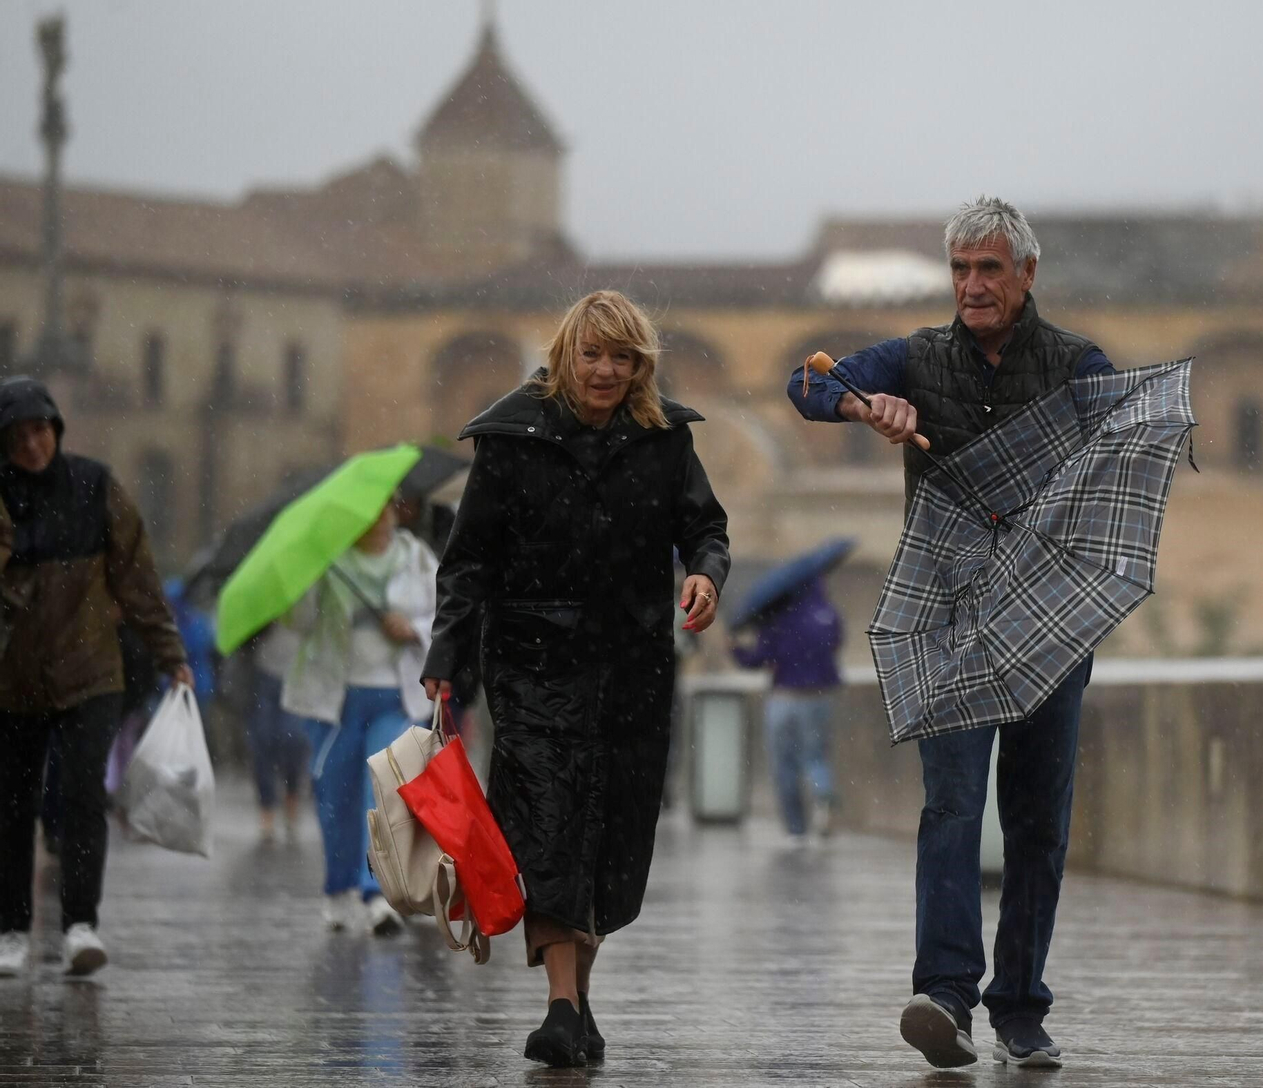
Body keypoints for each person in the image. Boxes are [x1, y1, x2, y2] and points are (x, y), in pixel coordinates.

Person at [787, 197, 1114, 1070]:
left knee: (1038, 823)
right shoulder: (915, 357)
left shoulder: (1079, 365)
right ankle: (945, 995)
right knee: (951, 808)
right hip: (948, 618)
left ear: (1027, 274)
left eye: (989, 269)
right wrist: (864, 409)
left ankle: (1021, 1008)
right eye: (960, 269)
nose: (972, 285)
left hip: (1048, 623)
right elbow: (807, 385)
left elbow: (1116, 464)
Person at [423, 289, 730, 1068]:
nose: (605, 371)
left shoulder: (663, 439)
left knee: (612, 836)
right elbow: (467, 561)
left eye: (621, 358)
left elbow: (705, 526)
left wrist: (705, 573)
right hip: (531, 662)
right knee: (550, 822)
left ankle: (578, 999)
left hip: (632, 665)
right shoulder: (509, 438)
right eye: (592, 354)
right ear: (566, 355)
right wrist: (446, 659)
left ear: (640, 365)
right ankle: (560, 1006)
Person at [0, 377, 192, 979]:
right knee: (13, 805)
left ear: (55, 428)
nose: (32, 446)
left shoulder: (95, 486)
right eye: (17, 437)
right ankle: (11, 928)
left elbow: (137, 579)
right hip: (14, 679)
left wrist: (170, 654)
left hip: (90, 673)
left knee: (84, 795)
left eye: (40, 431)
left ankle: (81, 924)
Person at [280, 498, 437, 935]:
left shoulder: (417, 559)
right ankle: (339, 887)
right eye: (369, 510)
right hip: (336, 702)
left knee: (384, 791)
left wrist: (413, 629)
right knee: (335, 798)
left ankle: (377, 892)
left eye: (385, 507)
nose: (378, 517)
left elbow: (445, 615)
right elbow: (299, 622)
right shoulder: (329, 562)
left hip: (397, 700)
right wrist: (308, 576)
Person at [730, 577, 843, 842]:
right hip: (819, 696)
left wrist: (736, 650)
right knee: (816, 756)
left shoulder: (777, 616)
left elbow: (757, 659)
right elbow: (836, 643)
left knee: (785, 764)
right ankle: (823, 795)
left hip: (784, 698)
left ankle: (796, 828)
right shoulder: (829, 614)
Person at [246, 624, 307, 843]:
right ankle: (267, 809)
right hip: (263, 677)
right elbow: (244, 641)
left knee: (293, 742)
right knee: (262, 743)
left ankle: (292, 798)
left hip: (298, 677)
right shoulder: (261, 610)